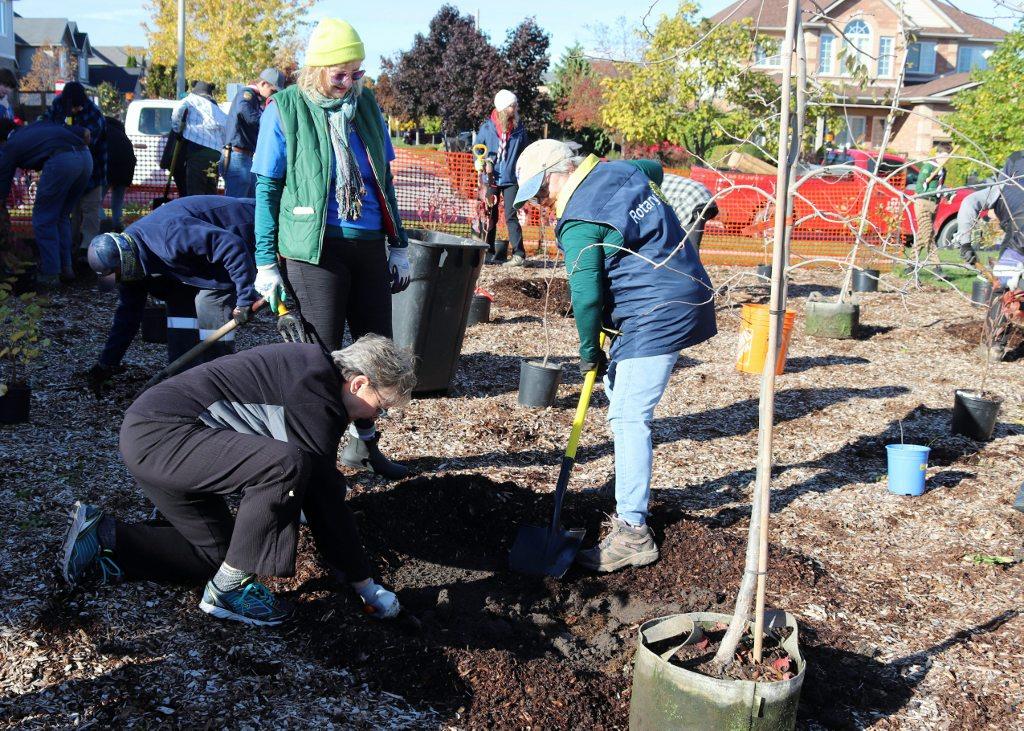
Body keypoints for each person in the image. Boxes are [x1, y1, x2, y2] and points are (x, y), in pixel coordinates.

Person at [60, 335, 415, 626]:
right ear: (359, 383)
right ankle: (230, 591)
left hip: (159, 436)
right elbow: (323, 496)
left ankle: (105, 537)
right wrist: (365, 585)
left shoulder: (314, 371)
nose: (377, 415)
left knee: (220, 554)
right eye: (381, 405)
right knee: (286, 465)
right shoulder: (314, 391)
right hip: (163, 436)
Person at [513, 140, 718, 573]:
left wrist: (590, 353)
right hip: (684, 288)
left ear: (556, 174)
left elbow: (586, 300)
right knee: (617, 393)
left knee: (627, 415)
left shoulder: (578, 221)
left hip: (656, 309)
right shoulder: (620, 170)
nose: (540, 205)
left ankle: (633, 533)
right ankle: (631, 508)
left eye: (539, 193)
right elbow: (655, 170)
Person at [252, 18, 412, 480]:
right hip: (313, 250)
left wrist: (397, 244)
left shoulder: (366, 108)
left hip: (366, 245)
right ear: (317, 69)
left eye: (357, 73)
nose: (349, 83)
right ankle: (312, 456)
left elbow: (385, 180)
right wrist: (266, 262)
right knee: (319, 357)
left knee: (377, 354)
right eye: (341, 74)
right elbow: (266, 191)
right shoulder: (284, 109)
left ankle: (365, 448)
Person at [85, 196, 259, 391]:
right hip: (197, 265)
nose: (117, 282)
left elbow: (232, 246)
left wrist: (245, 298)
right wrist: (107, 362)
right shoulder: (130, 268)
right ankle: (182, 384)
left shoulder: (168, 237)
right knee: (178, 312)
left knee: (209, 310)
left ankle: (217, 384)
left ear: (125, 262)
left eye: (116, 276)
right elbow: (128, 316)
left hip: (247, 227)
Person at [0, 118, 92, 286]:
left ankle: (50, 274)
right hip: (86, 157)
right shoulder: (36, 127)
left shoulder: (10, 144)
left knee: (43, 219)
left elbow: (4, 176)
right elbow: (81, 131)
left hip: (62, 160)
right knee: (62, 216)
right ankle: (67, 268)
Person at [955, 150, 1024, 362]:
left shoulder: (1004, 186)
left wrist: (964, 242)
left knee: (1002, 292)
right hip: (1017, 243)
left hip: (1016, 246)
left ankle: (992, 347)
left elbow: (969, 203)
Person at [45, 82, 106, 262]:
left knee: (90, 209)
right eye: (71, 106)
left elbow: (88, 139)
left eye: (77, 106)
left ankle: (88, 248)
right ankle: (69, 245)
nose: (74, 109)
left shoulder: (93, 113)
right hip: (67, 170)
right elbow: (46, 123)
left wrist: (63, 135)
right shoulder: (57, 106)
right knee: (71, 209)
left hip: (93, 169)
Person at [475, 89, 528, 266]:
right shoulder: (487, 128)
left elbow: (525, 151)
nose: (516, 108)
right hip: (491, 178)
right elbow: (477, 148)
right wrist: (482, 162)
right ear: (503, 109)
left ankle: (519, 254)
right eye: (513, 106)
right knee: (491, 215)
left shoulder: (519, 129)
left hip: (511, 179)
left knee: (511, 215)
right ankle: (488, 252)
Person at [222, 68, 286, 198]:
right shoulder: (247, 94)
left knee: (247, 201)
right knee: (237, 203)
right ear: (263, 84)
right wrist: (267, 122)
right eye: (273, 91)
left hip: (244, 156)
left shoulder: (255, 99)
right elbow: (244, 111)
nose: (272, 95)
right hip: (238, 155)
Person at [171, 81, 227, 197]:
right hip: (215, 155)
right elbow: (226, 128)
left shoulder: (190, 100)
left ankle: (195, 214)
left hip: (197, 153)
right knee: (210, 189)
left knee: (195, 191)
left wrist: (177, 130)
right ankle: (209, 213)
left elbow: (178, 112)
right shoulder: (216, 108)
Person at [912, 141, 952, 266]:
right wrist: (938, 190)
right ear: (938, 154)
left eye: (948, 156)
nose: (946, 159)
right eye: (944, 156)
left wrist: (946, 193)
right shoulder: (928, 167)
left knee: (922, 236)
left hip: (933, 205)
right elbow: (919, 189)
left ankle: (910, 264)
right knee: (929, 234)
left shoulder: (943, 170)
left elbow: (939, 188)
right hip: (923, 203)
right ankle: (937, 267)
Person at [660, 173, 718, 253]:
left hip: (692, 200)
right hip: (702, 195)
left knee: (689, 251)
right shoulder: (644, 178)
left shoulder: (642, 185)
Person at [103, 115, 137, 232]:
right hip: (126, 170)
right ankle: (118, 225)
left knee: (96, 201)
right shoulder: (121, 134)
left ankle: (104, 223)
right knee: (118, 201)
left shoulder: (102, 131)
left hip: (110, 168)